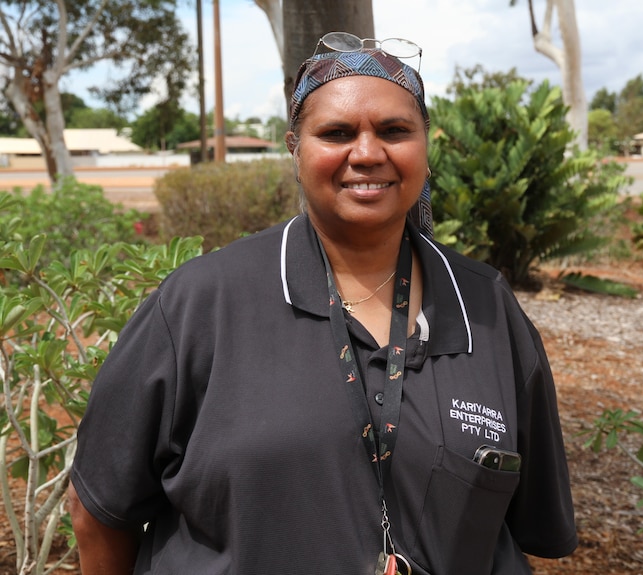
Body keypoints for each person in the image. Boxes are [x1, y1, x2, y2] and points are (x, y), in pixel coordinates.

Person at [68, 32, 577, 575]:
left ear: (426, 146)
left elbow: (524, 526)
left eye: (394, 131)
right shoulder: (200, 305)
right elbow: (98, 510)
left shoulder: (484, 306)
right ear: (295, 147)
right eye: (336, 132)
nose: (366, 153)